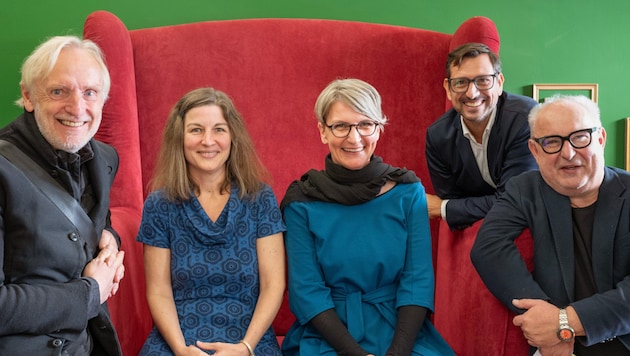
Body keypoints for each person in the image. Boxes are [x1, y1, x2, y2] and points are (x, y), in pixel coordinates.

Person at [280, 78, 454, 356]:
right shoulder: (301, 201)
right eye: (341, 126)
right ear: (323, 131)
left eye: (365, 124)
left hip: (400, 331)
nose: (354, 137)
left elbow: (417, 281)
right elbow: (307, 292)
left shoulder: (409, 192)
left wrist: (397, 352)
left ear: (378, 129)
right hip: (329, 335)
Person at [470, 95, 630, 355]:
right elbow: (488, 249)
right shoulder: (525, 189)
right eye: (552, 142)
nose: (568, 153)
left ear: (600, 138)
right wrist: (544, 320)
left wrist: (564, 323)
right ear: (535, 150)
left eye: (580, 137)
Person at [136, 87, 286, 355]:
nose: (208, 141)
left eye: (219, 129)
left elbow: (273, 285)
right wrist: (181, 350)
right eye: (196, 130)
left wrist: (246, 347)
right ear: (179, 138)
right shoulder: (159, 204)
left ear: (232, 137)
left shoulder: (260, 198)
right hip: (177, 340)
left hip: (249, 339)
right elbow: (158, 290)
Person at [0, 36, 125, 354]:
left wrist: (110, 237)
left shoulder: (105, 158)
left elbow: (91, 218)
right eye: (59, 91)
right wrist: (91, 292)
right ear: (28, 96)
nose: (77, 107)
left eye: (90, 93)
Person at [425, 42, 538, 230]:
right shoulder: (438, 136)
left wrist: (443, 208)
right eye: (461, 82)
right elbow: (455, 204)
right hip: (481, 232)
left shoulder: (525, 119)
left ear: (499, 83)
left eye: (483, 80)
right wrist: (453, 207)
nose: (472, 93)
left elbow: (516, 200)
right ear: (448, 88)